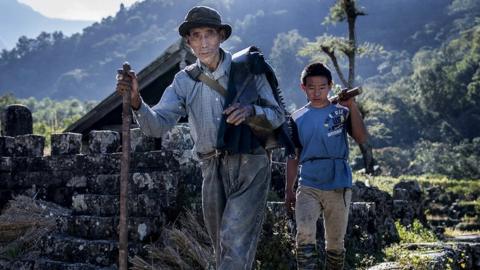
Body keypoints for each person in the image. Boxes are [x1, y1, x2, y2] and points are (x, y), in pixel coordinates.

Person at [116, 6, 285, 270]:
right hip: (210, 166)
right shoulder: (184, 81)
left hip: (250, 163)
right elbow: (156, 126)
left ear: (221, 37)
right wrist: (136, 101)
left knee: (234, 240)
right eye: (197, 36)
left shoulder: (249, 69)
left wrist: (251, 111)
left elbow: (277, 115)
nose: (204, 42)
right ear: (189, 41)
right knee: (222, 247)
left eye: (210, 34)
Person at [284, 63, 368, 269]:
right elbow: (293, 155)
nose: (317, 92)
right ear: (303, 88)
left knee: (335, 242)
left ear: (330, 86)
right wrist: (289, 189)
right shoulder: (297, 118)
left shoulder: (341, 112)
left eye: (322, 87)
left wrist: (352, 106)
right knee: (304, 233)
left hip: (338, 182)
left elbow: (361, 137)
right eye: (311, 87)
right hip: (309, 182)